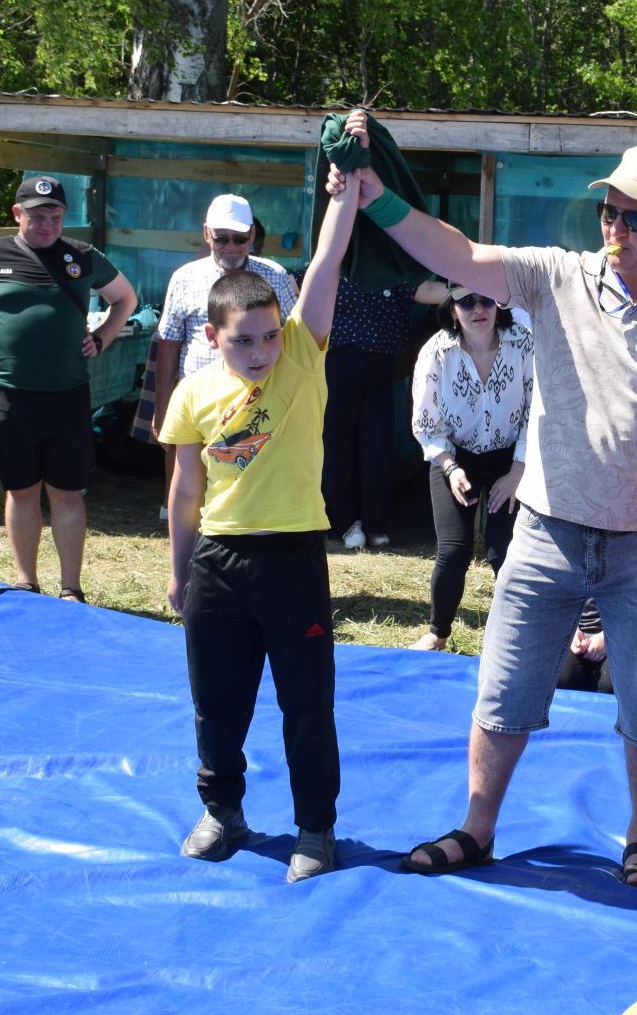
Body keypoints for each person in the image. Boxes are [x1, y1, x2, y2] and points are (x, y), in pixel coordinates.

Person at [340, 115, 637, 891]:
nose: (614, 226)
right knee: (502, 693)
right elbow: (461, 255)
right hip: (544, 533)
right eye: (607, 211)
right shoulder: (556, 275)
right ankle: (478, 830)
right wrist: (376, 199)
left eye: (634, 216)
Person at [158, 160, 360, 883]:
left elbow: (328, 262)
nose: (259, 352)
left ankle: (316, 828)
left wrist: (343, 197)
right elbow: (186, 492)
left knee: (306, 701)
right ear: (213, 337)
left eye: (269, 336)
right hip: (218, 563)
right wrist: (180, 574)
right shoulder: (192, 394)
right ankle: (224, 812)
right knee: (217, 702)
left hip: (293, 560)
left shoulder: (303, 359)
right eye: (243, 341)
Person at [0, 176, 137, 602]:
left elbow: (125, 300)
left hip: (69, 393)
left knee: (66, 491)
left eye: (55, 216)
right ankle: (25, 582)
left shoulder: (82, 256)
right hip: (10, 393)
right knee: (20, 489)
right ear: (17, 213)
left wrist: (102, 338)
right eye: (37, 215)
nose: (47, 224)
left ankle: (71, 588)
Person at [149, 195, 298, 513]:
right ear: (206, 234)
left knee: (247, 492)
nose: (231, 246)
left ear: (252, 236)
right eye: (222, 238)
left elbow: (294, 338)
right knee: (190, 484)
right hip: (199, 399)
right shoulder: (184, 277)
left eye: (240, 238)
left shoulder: (273, 275)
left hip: (258, 401)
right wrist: (162, 407)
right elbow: (168, 343)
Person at [408, 284, 533, 650]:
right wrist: (449, 467)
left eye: (486, 299)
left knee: (505, 550)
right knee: (454, 549)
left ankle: (518, 638)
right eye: (466, 301)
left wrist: (518, 470)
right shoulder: (435, 353)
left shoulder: (523, 342)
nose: (478, 308)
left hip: (511, 459)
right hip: (455, 458)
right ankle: (438, 632)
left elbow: (538, 409)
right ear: (452, 309)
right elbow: (425, 423)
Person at [322, 271, 449, 551]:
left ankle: (375, 524)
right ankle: (346, 522)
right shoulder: (333, 266)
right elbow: (292, 285)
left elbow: (431, 290)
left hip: (382, 367)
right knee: (336, 444)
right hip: (338, 363)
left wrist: (484, 283)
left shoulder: (396, 272)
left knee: (377, 445)